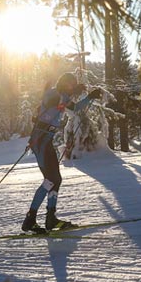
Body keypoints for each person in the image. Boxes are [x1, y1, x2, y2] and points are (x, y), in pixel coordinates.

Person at [22, 71, 102, 232]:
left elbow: (76, 107)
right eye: (70, 85)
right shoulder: (55, 94)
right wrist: (70, 94)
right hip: (41, 142)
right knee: (51, 179)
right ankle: (32, 219)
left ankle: (49, 218)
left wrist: (90, 97)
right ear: (64, 84)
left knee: (54, 180)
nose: (71, 88)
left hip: (46, 142)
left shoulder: (61, 96)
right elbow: (53, 102)